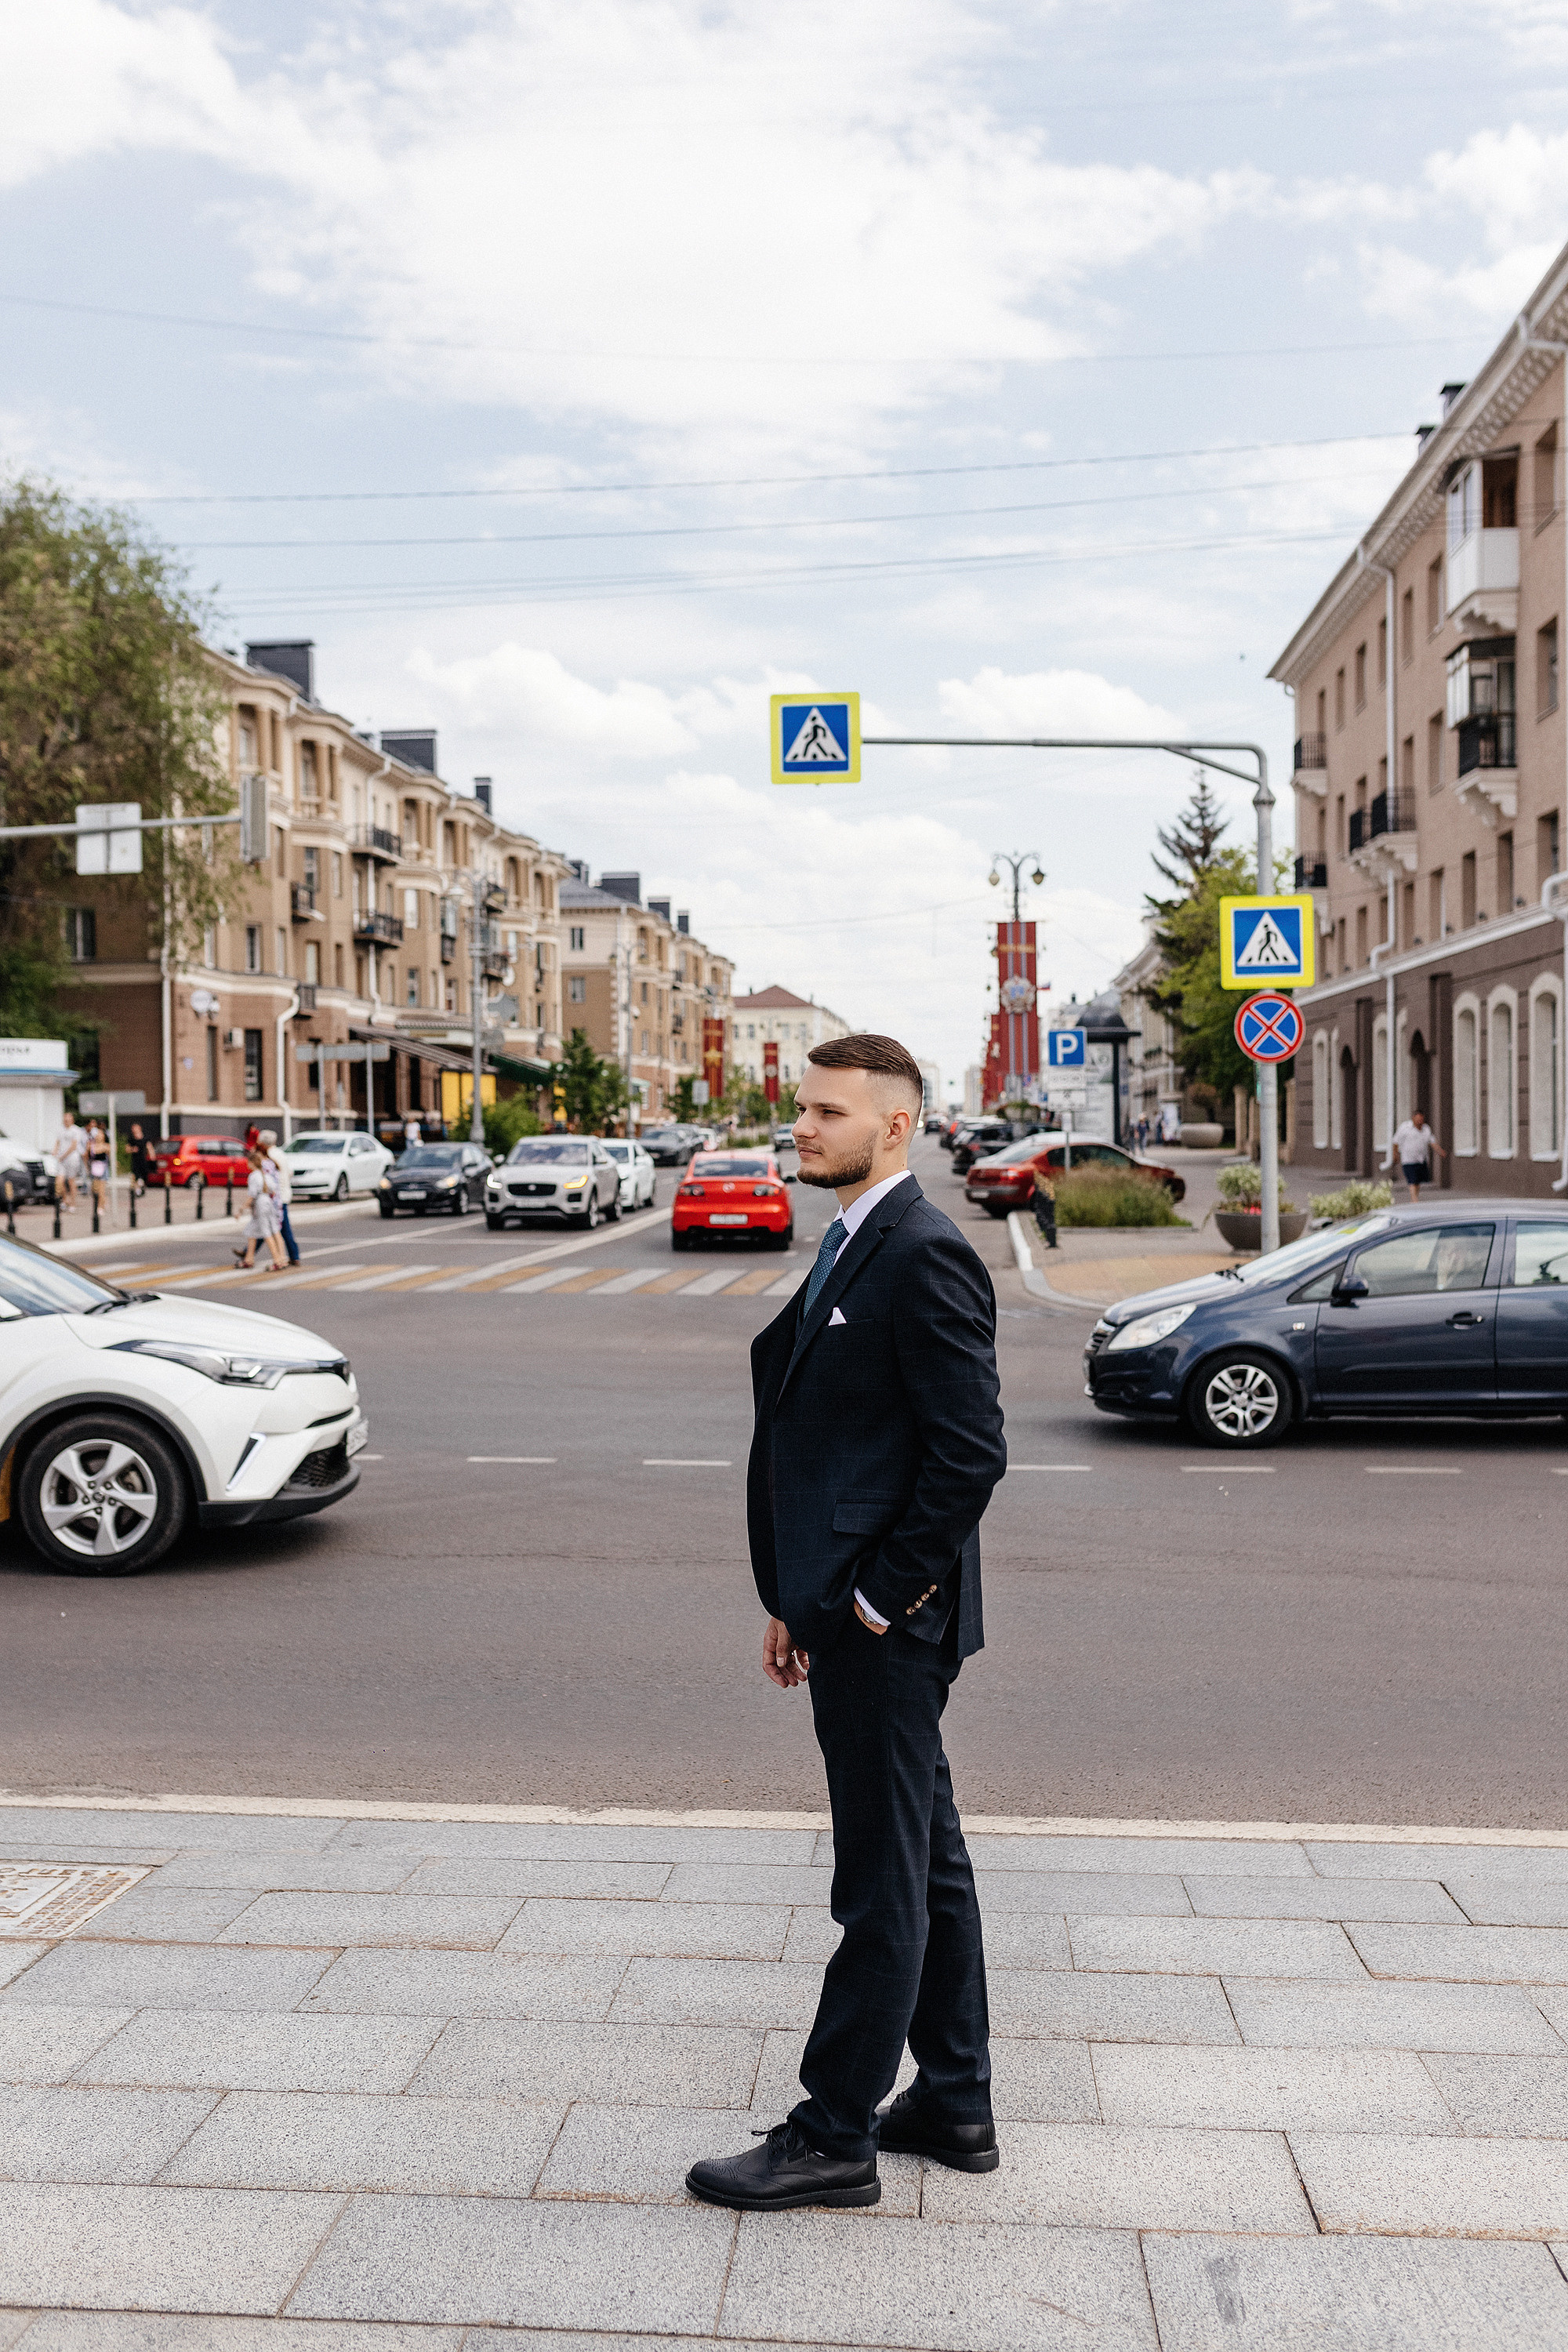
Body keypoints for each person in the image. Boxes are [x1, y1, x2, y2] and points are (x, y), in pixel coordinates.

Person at [687, 1033, 1007, 2215]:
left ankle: (833, 2134)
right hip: (847, 1604)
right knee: (927, 1858)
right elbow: (841, 1439)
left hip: (889, 1622)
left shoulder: (921, 1253)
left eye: (827, 1112)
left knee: (879, 1880)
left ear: (895, 1126)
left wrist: (873, 1600)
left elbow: (970, 1454)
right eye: (802, 1109)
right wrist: (798, 1598)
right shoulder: (856, 1239)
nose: (802, 1128)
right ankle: (955, 2099)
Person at [233, 1147, 287, 1272]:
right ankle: (249, 1259)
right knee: (255, 1232)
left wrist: (240, 1210)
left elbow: (252, 1196)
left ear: (251, 1163)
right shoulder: (265, 1175)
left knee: (267, 1233)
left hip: (261, 1205)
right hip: (269, 1203)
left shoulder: (253, 1176)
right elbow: (273, 1190)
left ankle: (277, 1261)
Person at [258, 1128, 300, 1265]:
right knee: (272, 1227)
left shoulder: (267, 1156)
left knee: (279, 1228)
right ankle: (248, 1252)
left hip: (275, 1197)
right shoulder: (281, 1153)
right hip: (284, 1195)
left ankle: (293, 1256)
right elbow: (290, 1173)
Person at [1389, 1109, 1445, 1202]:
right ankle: (1414, 1199)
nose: (1420, 1121)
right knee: (1412, 1179)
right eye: (1418, 1119)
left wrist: (1440, 1151)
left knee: (1417, 1180)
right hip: (1408, 1159)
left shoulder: (1426, 1129)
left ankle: (1415, 1197)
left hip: (1421, 1159)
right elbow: (1395, 1142)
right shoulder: (1405, 1128)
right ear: (1413, 1118)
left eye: (1421, 1119)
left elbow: (1432, 1142)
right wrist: (1395, 1155)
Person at [53, 1109, 83, 1207]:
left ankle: (73, 1203)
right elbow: (58, 1142)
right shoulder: (61, 1130)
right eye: (65, 1119)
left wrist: (63, 1156)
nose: (66, 1121)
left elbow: (74, 1146)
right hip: (62, 1159)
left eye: (68, 1119)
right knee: (59, 1181)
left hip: (72, 1158)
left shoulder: (76, 1130)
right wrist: (55, 1151)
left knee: (71, 1181)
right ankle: (65, 1199)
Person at [85, 1122, 110, 1220]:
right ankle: (102, 1201)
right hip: (94, 1168)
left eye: (101, 1135)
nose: (99, 1136)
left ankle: (100, 1207)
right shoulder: (91, 1145)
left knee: (102, 1189)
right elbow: (87, 1156)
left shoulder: (106, 1146)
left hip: (103, 1168)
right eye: (97, 1135)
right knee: (95, 1189)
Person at [1031, 1159, 1058, 1249]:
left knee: (1048, 1219)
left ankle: (1052, 1241)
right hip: (1045, 1200)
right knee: (1047, 1217)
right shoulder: (1043, 1185)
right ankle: (1051, 1240)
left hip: (1047, 1200)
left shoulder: (1047, 1188)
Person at [127, 1121, 157, 1197]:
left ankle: (141, 1187)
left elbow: (150, 1148)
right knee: (136, 1176)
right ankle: (138, 1191)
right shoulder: (131, 1139)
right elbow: (127, 1149)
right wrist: (132, 1149)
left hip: (143, 1160)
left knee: (143, 1176)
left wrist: (153, 1158)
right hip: (135, 1160)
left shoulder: (145, 1138)